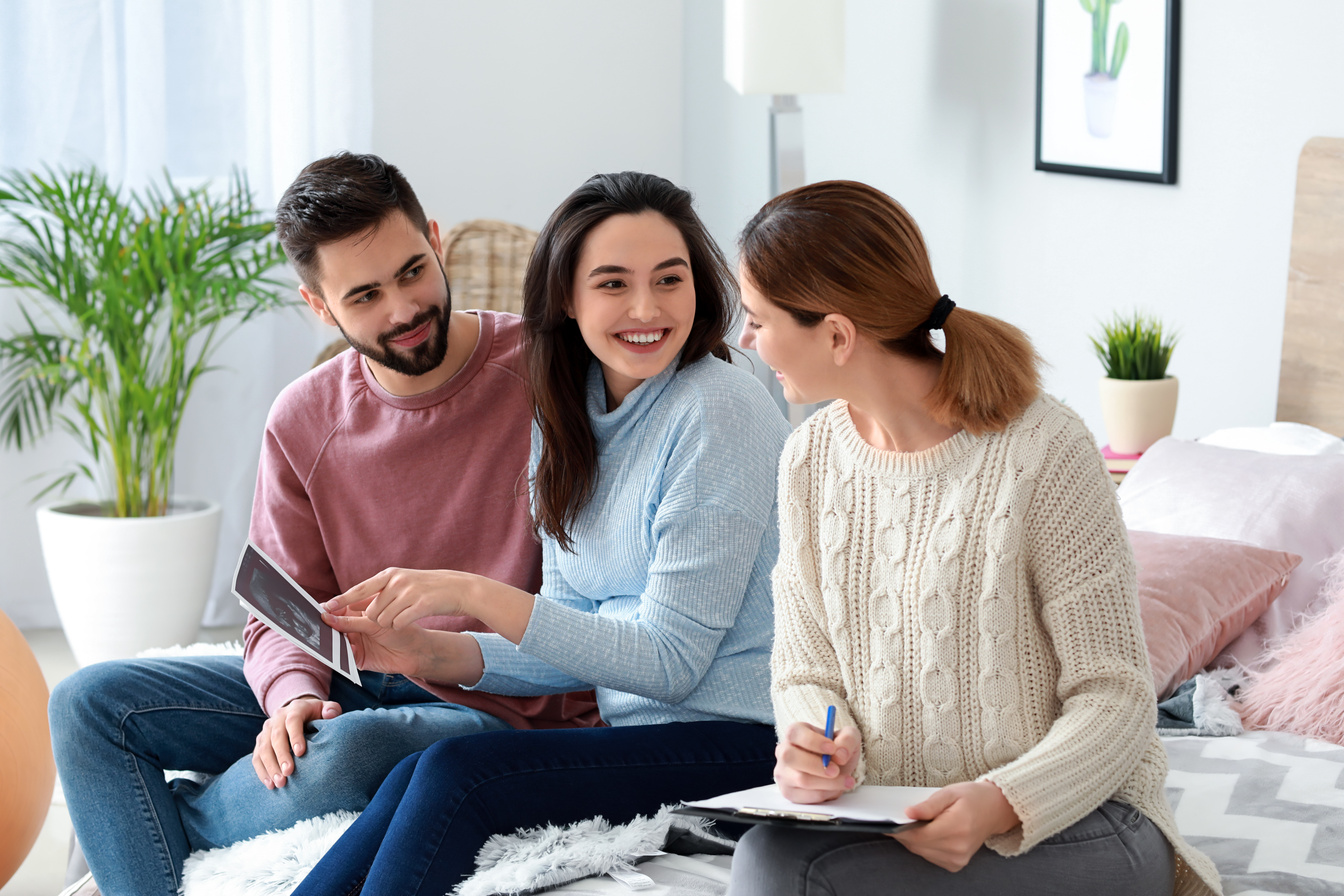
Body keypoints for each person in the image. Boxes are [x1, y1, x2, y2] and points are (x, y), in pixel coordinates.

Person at [47, 152, 600, 896]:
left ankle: (141, 820)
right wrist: (291, 699)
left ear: (434, 240)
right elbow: (276, 608)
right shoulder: (303, 418)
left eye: (411, 270)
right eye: (365, 295)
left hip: (488, 711)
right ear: (319, 305)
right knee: (87, 704)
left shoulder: (548, 375)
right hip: (353, 677)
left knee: (348, 756)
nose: (402, 309)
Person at [288, 170, 792, 895]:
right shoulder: (566, 409)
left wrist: (471, 593)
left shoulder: (720, 408)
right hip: (644, 739)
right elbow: (574, 640)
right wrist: (425, 651)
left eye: (669, 280)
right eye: (613, 284)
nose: (645, 308)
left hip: (742, 743)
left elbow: (672, 662)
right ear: (566, 296)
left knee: (462, 774)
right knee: (419, 774)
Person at [727, 181, 1222, 896]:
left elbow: (1116, 697)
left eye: (758, 319)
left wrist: (998, 802)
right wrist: (814, 743)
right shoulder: (809, 458)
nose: (746, 340)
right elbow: (807, 669)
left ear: (836, 335)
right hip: (895, 820)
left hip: (1082, 824)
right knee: (774, 852)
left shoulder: (1045, 449)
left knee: (782, 870)